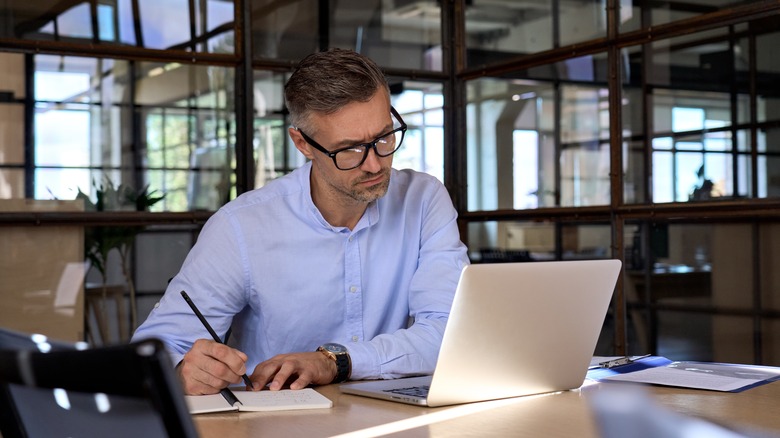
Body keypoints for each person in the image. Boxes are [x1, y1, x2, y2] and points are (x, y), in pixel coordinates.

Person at [132, 48, 469, 395]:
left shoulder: (424, 199)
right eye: (350, 149)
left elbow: (450, 332)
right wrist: (180, 370)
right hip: (276, 424)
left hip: (395, 418)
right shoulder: (242, 227)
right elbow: (152, 350)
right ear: (302, 144)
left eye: (384, 137)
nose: (374, 164)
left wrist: (335, 361)